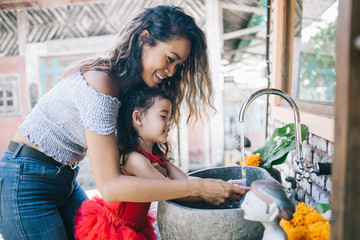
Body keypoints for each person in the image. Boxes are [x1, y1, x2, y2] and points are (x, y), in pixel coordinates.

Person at [0, 5, 248, 240]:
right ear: (144, 40)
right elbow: (110, 187)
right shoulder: (102, 84)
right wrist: (197, 189)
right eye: (170, 58)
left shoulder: (130, 88)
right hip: (25, 180)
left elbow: (163, 178)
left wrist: (217, 187)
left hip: (64, 179)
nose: (172, 72)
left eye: (178, 65)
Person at [75, 87, 193, 240]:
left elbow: (184, 181)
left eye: (169, 117)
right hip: (115, 231)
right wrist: (206, 192)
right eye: (163, 116)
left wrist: (221, 185)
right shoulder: (135, 160)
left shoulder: (156, 155)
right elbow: (171, 192)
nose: (169, 123)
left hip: (137, 226)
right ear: (138, 118)